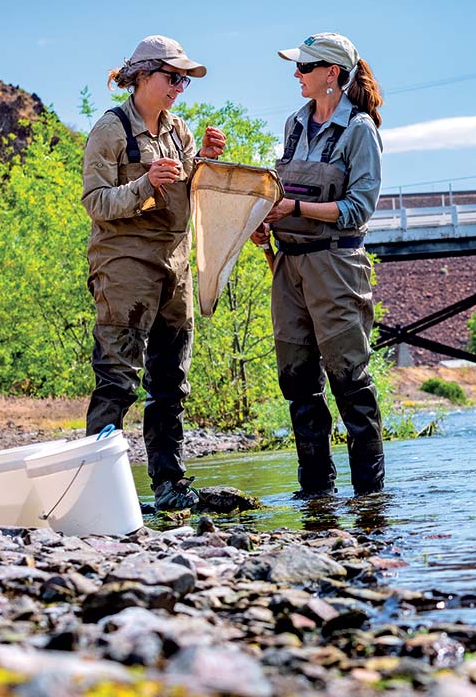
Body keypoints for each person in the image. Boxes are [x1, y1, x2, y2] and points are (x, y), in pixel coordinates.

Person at [81, 35, 226, 510]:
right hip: (124, 265)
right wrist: (145, 184)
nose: (180, 87)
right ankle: (96, 491)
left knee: (170, 382)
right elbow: (95, 203)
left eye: (184, 79)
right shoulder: (110, 130)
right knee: (117, 379)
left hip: (175, 265)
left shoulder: (178, 130)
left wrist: (203, 161)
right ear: (142, 76)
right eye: (173, 77)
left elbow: (190, 195)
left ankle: (169, 485)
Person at [253, 32, 385, 498]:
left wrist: (295, 210)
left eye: (305, 67)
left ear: (332, 73)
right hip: (287, 268)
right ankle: (316, 495)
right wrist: (262, 222)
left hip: (336, 267)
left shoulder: (360, 131)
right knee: (297, 382)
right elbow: (279, 194)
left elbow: (358, 210)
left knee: (350, 379)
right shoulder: (293, 124)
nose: (297, 74)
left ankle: (370, 499)